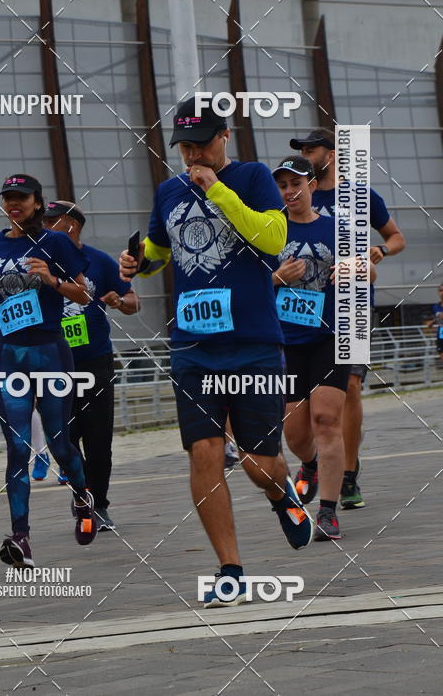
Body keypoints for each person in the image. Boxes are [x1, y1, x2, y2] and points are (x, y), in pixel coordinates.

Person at [119, 97, 314, 608]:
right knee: (204, 451)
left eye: (201, 143)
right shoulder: (168, 191)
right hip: (193, 345)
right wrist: (137, 262)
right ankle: (230, 569)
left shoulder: (250, 177)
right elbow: (160, 254)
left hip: (252, 341)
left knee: (259, 462)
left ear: (224, 136)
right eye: (184, 146)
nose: (192, 155)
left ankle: (282, 493)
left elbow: (273, 238)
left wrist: (218, 190)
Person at [0, 173, 97, 568]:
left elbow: (84, 293)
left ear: (37, 203)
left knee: (60, 444)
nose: (14, 204)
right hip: (10, 354)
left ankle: (82, 496)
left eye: (22, 198)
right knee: (16, 448)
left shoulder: (55, 242)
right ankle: (21, 537)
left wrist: (50, 279)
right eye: (8, 197)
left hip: (50, 353)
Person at [290, 128, 406, 510]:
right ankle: (312, 463)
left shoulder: (360, 196)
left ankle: (350, 474)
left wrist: (379, 251)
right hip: (302, 310)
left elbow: (396, 237)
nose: (306, 155)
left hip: (351, 305)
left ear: (333, 153)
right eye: (302, 150)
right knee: (302, 409)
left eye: (312, 149)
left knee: (351, 387)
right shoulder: (295, 195)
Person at [270, 156, 377, 540]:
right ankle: (310, 463)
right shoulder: (270, 232)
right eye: (282, 185)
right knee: (296, 432)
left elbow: (371, 270)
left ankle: (328, 512)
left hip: (332, 337)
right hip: (288, 342)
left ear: (312, 187)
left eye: (295, 184)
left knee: (326, 421)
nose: (289, 191)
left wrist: (356, 269)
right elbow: (252, 286)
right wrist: (277, 277)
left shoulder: (339, 229)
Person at [42, 200, 140, 531]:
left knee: (99, 439)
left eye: (51, 221)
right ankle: (81, 492)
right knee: (63, 438)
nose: (44, 226)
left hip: (94, 361)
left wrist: (118, 301)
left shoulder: (98, 261)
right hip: (53, 363)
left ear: (71, 225)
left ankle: (98, 504)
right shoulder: (37, 261)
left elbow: (133, 302)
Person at [425, 284, 443, 363]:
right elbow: (439, 317)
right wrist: (432, 322)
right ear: (438, 293)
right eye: (440, 290)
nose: (442, 292)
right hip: (441, 330)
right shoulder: (435, 307)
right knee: (441, 353)